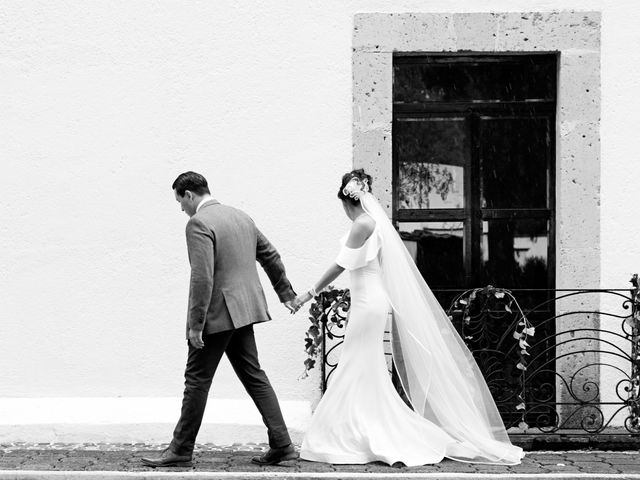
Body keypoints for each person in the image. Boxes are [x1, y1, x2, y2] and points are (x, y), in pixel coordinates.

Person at [291, 169, 524, 466]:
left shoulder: (362, 223)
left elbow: (341, 264)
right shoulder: (374, 223)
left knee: (356, 363)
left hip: (369, 303)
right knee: (363, 366)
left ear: (346, 200)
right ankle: (360, 427)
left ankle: (357, 432)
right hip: (370, 301)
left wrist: (307, 293)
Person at [142, 171, 298, 468]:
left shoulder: (198, 223)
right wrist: (285, 293)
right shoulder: (241, 217)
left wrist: (195, 324)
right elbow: (271, 255)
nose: (181, 210)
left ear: (189, 195)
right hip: (245, 310)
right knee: (254, 375)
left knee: (197, 380)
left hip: (217, 314)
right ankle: (282, 445)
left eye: (180, 202)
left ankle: (181, 449)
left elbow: (202, 277)